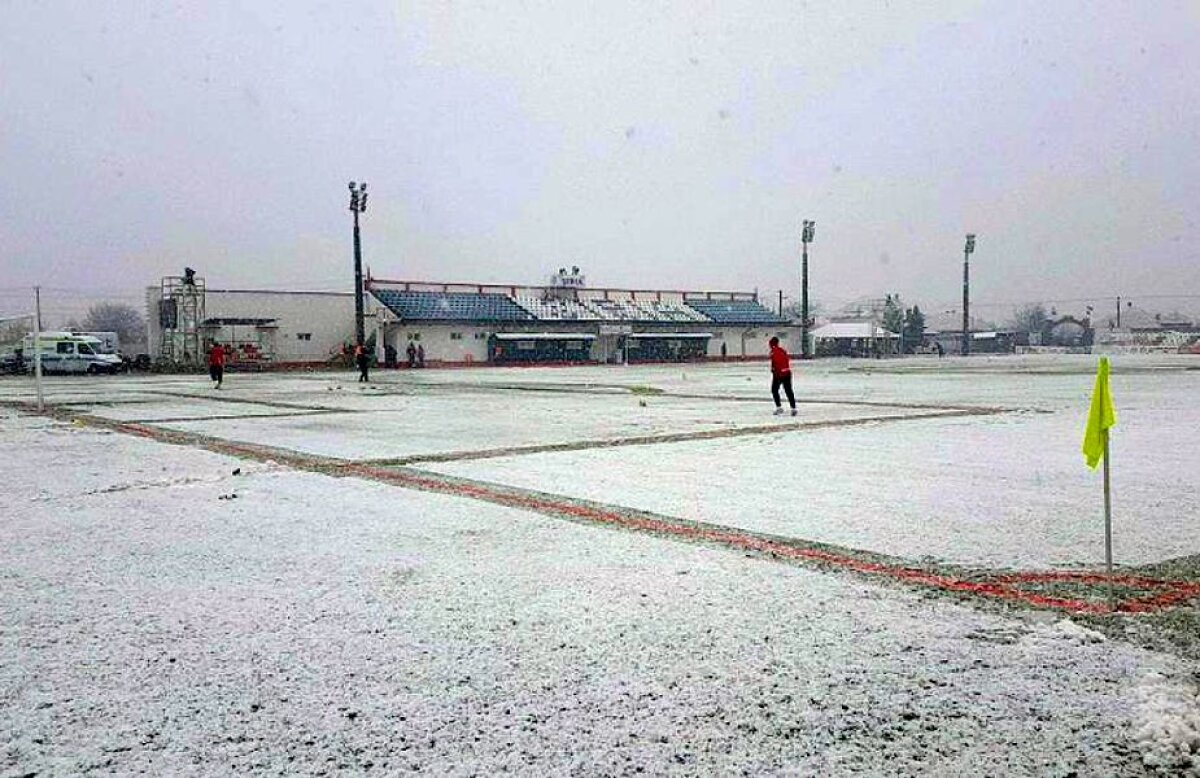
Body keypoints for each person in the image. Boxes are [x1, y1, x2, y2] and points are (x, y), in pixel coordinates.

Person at [768, 336, 796, 416]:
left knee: (774, 390)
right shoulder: (782, 350)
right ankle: (793, 408)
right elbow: (787, 360)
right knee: (788, 391)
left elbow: (775, 363)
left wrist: (774, 370)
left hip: (779, 374)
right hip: (787, 372)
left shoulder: (773, 352)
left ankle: (779, 407)